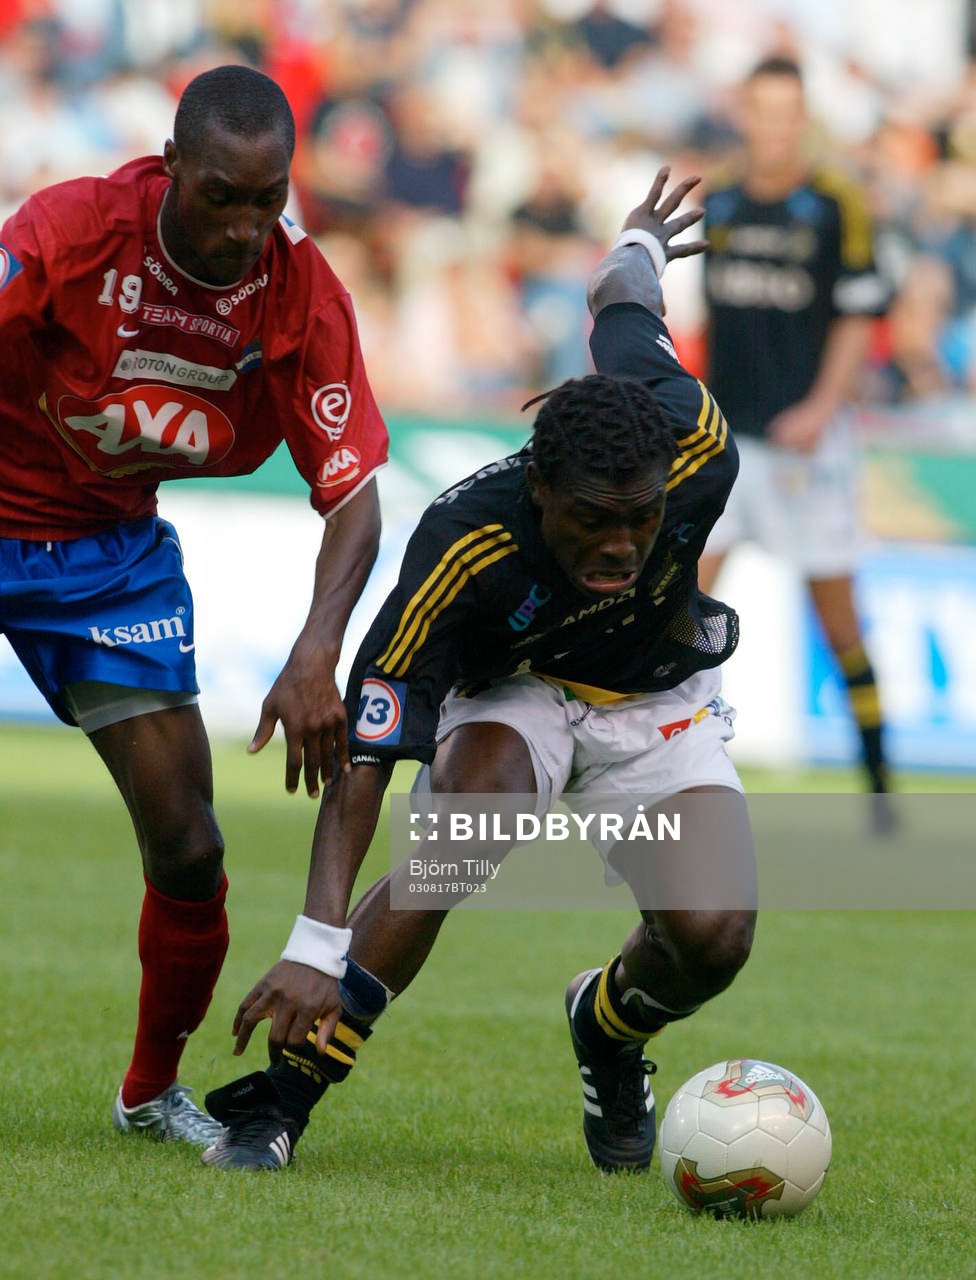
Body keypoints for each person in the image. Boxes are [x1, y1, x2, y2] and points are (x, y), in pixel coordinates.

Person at [199, 167, 758, 1174]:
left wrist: (635, 240)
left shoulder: (698, 447)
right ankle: (276, 1106)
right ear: (540, 486)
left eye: (639, 520)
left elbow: (623, 305)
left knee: (713, 935)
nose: (622, 546)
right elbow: (366, 757)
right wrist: (315, 942)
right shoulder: (465, 543)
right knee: (465, 836)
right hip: (519, 690)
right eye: (592, 521)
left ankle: (607, 1025)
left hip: (657, 693)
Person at [0, 65, 388, 1145]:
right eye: (222, 195)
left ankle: (148, 1093)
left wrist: (318, 652)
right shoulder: (72, 228)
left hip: (108, 557)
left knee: (188, 845)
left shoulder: (300, 291)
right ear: (172, 168)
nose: (245, 226)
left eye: (268, 201)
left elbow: (356, 501)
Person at [698, 56, 894, 817]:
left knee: (838, 618)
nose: (775, 126)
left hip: (808, 447)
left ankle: (881, 793)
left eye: (789, 113)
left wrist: (821, 404)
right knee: (678, 603)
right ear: (743, 113)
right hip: (728, 443)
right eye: (763, 110)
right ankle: (652, 767)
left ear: (801, 119)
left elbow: (857, 313)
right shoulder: (717, 199)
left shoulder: (834, 200)